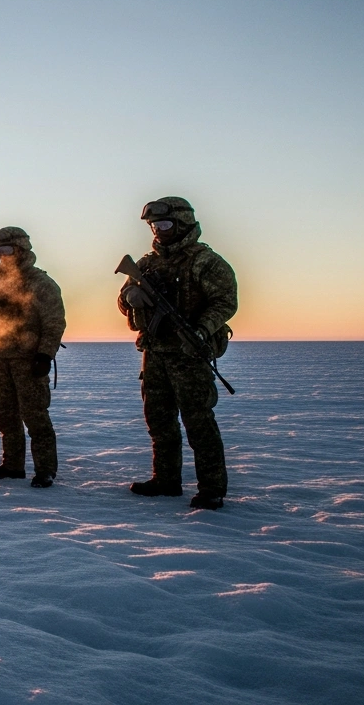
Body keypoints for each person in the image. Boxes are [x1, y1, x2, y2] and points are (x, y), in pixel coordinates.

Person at [117, 197, 237, 510]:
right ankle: (166, 480)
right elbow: (123, 300)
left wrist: (200, 329)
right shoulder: (145, 264)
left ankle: (211, 489)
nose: (159, 230)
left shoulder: (205, 261)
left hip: (189, 354)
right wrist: (130, 296)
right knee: (158, 420)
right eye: (155, 225)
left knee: (198, 421)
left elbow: (226, 302)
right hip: (155, 353)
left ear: (183, 223)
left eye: (166, 224)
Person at [0, 226, 66, 488]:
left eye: (7, 249)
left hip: (29, 361)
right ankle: (13, 465)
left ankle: (45, 470)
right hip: (0, 361)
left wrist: (45, 354)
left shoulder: (41, 284)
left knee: (35, 416)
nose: (2, 255)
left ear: (21, 249)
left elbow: (54, 322)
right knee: (5, 415)